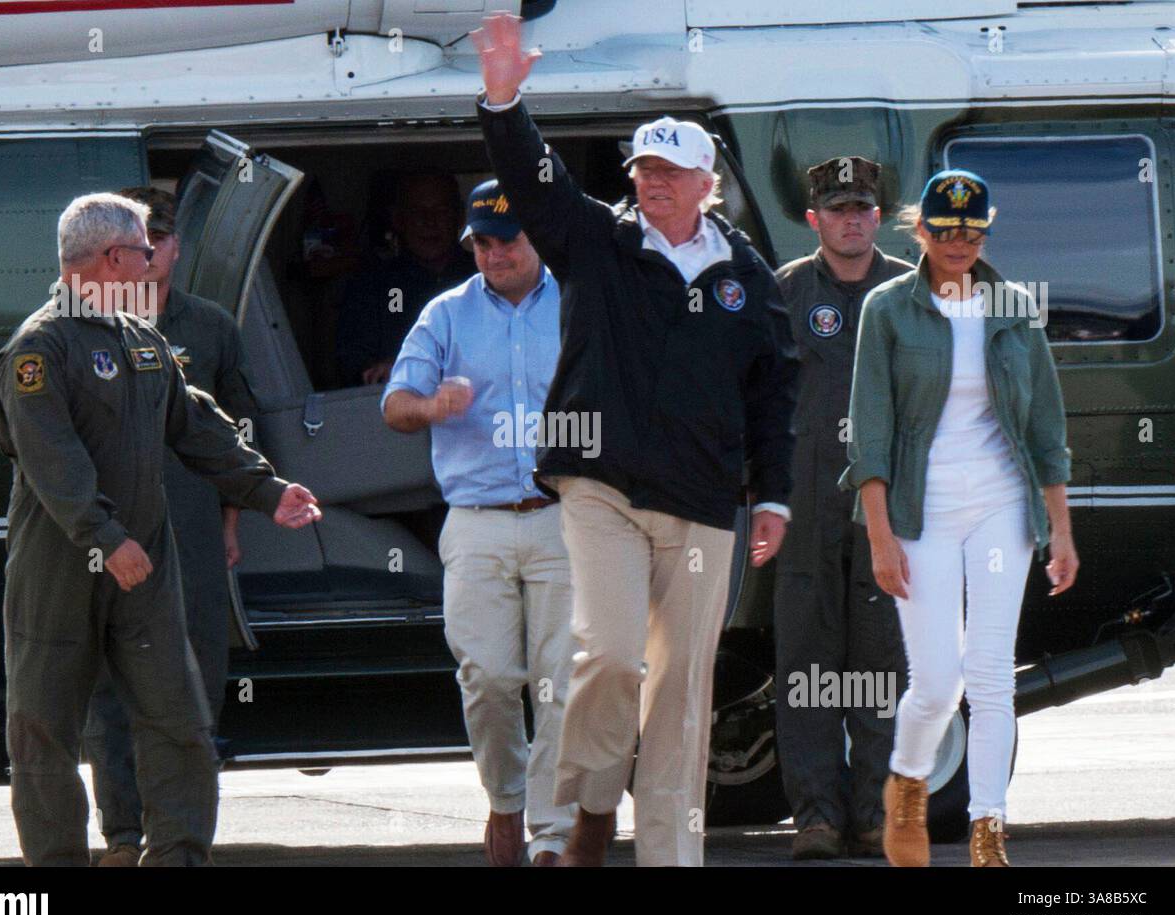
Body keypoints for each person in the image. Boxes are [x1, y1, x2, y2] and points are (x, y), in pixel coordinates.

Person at [472, 13, 798, 867]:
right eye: (642, 169)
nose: (651, 182)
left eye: (668, 170)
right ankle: (589, 803)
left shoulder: (748, 280)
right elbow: (533, 184)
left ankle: (669, 860)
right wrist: (505, 101)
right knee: (612, 656)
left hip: (702, 503)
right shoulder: (597, 240)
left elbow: (775, 393)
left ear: (705, 183)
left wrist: (773, 494)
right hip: (601, 487)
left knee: (682, 703)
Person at [0, 192, 321, 866]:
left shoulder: (144, 343)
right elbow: (54, 461)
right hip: (62, 567)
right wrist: (106, 539)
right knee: (43, 729)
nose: (153, 261)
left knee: (177, 719)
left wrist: (266, 489)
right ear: (113, 258)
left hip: (145, 569)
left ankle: (177, 855)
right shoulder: (38, 349)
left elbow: (197, 427)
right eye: (145, 249)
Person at [840, 169, 1079, 867]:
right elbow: (870, 433)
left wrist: (1059, 529)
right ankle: (909, 781)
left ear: (985, 231)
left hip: (1002, 505)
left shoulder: (1012, 309)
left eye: (971, 230)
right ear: (921, 231)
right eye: (945, 230)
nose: (958, 243)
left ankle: (988, 830)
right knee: (937, 680)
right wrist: (881, 536)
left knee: (992, 673)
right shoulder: (887, 309)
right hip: (921, 509)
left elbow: (1045, 429)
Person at [382, 180, 574, 867]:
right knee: (488, 676)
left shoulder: (579, 301)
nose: (492, 256)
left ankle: (553, 837)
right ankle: (506, 799)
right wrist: (432, 407)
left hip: (565, 514)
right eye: (481, 244)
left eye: (505, 241)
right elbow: (394, 404)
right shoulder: (446, 313)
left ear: (537, 238)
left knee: (562, 680)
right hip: (477, 518)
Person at [81, 186, 259, 866]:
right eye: (134, 242)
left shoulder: (210, 326)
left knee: (194, 686)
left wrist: (232, 521)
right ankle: (123, 835)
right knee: (113, 688)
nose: (148, 254)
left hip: (191, 533)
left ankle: (181, 838)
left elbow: (240, 433)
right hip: (115, 533)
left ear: (176, 248)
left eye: (158, 240)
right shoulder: (83, 329)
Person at [773, 157, 912, 860]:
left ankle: (874, 814)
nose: (850, 220)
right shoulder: (787, 293)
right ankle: (817, 819)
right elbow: (758, 395)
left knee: (883, 668)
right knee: (807, 669)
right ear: (813, 219)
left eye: (861, 208)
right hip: (805, 511)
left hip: (890, 515)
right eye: (836, 209)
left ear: (878, 216)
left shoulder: (913, 293)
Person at [336, 171, 474, 386]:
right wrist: (385, 369)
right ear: (398, 220)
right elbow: (352, 361)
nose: (430, 222)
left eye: (441, 211)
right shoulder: (372, 287)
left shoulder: (487, 278)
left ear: (460, 217)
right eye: (417, 212)